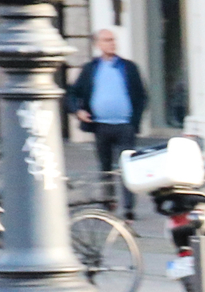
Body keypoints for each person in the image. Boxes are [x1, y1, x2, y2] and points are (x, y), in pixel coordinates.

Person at [64, 28, 149, 218]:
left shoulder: (128, 67)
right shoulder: (91, 68)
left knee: (127, 167)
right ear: (98, 44)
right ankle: (108, 202)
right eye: (107, 40)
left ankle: (128, 208)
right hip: (101, 126)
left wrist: (135, 120)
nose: (111, 43)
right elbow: (72, 93)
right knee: (105, 167)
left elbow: (142, 95)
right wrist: (78, 112)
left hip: (125, 126)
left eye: (113, 40)